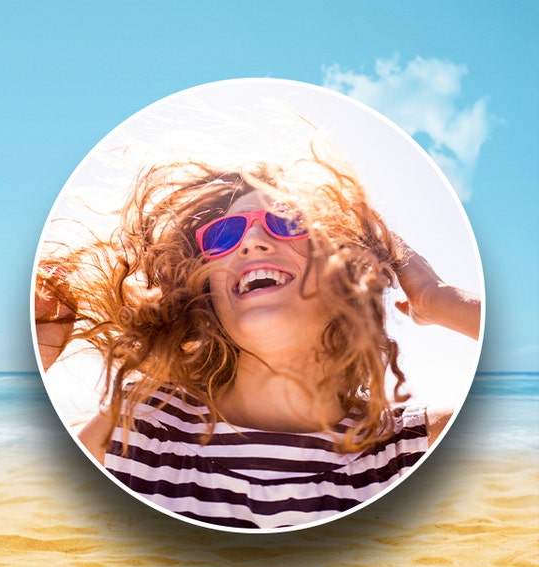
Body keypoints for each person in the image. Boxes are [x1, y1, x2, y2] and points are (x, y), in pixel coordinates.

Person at [34, 139, 481, 530]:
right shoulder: (139, 424)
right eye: (225, 234)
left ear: (346, 271)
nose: (250, 242)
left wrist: (439, 299)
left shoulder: (407, 451)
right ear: (209, 288)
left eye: (286, 221)